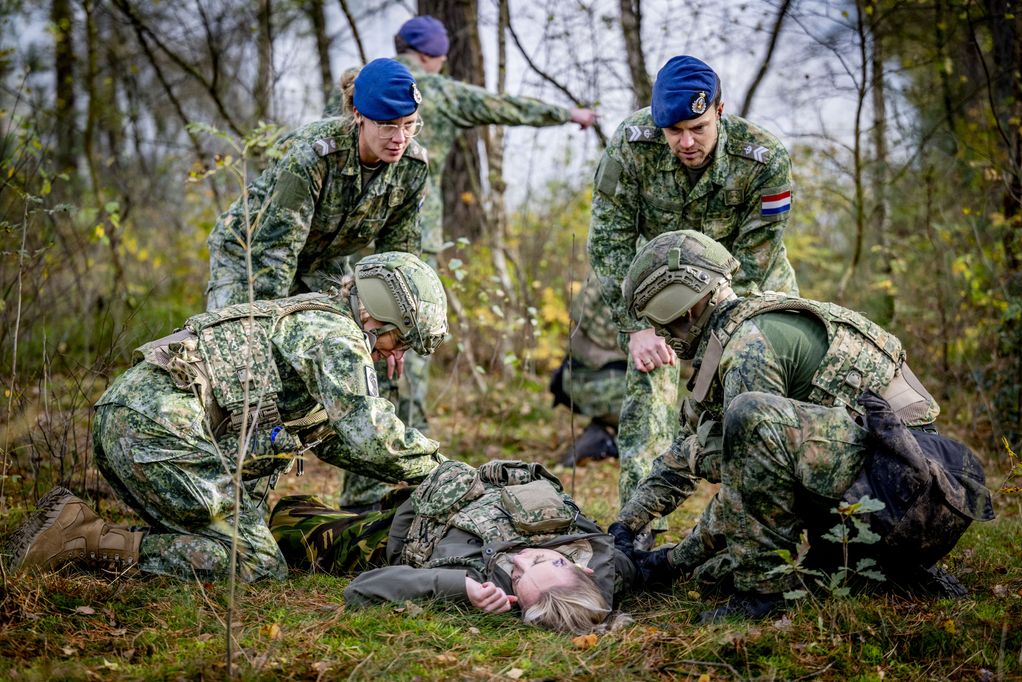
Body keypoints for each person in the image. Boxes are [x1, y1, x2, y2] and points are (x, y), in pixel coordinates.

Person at [607, 230, 994, 620]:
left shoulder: (748, 347)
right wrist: (626, 523)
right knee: (712, 573)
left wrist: (670, 562)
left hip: (910, 493)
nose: (665, 337)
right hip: (905, 489)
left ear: (687, 309)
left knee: (747, 429)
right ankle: (881, 574)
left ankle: (762, 598)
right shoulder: (736, 332)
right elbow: (692, 446)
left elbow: (747, 482)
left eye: (664, 324)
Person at [7, 253, 450, 583]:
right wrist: (448, 474)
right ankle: (80, 540)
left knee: (234, 540)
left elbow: (334, 436)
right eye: (400, 339)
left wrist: (418, 475)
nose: (397, 355)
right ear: (376, 312)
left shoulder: (317, 320)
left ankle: (90, 535)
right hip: (159, 430)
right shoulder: (335, 335)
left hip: (142, 423)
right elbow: (369, 434)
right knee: (257, 565)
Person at [325, 15, 598, 436]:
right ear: (435, 56)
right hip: (412, 241)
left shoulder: (365, 91)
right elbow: (504, 107)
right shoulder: (440, 91)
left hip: (352, 240)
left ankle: (347, 435)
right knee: (404, 342)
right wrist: (569, 114)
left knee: (346, 334)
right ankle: (404, 441)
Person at [587, 55, 799, 533]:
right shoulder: (631, 145)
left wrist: (717, 349)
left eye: (698, 128)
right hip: (666, 295)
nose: (686, 142)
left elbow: (757, 259)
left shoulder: (763, 158)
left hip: (751, 290)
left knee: (764, 406)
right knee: (648, 388)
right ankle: (636, 536)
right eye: (674, 130)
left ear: (720, 110)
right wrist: (637, 326)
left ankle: (766, 531)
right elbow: (608, 241)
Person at [269, 458, 636, 634]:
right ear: (579, 568)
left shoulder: (487, 586)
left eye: (519, 576)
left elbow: (360, 591)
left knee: (289, 523)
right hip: (447, 490)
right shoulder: (607, 564)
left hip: (399, 533)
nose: (519, 559)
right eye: (539, 560)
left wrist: (457, 586)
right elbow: (649, 565)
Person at [206, 58, 428, 311]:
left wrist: (392, 326)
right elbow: (274, 249)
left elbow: (399, 259)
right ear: (358, 115)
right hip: (248, 257)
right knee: (244, 337)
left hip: (320, 265)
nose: (400, 138)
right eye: (388, 126)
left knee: (332, 342)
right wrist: (269, 323)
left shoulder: (412, 167)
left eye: (409, 125)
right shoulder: (312, 155)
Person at [549, 274, 626, 466]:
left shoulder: (604, 270)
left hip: (570, 382)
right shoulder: (645, 282)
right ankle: (605, 442)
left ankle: (601, 432)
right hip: (609, 390)